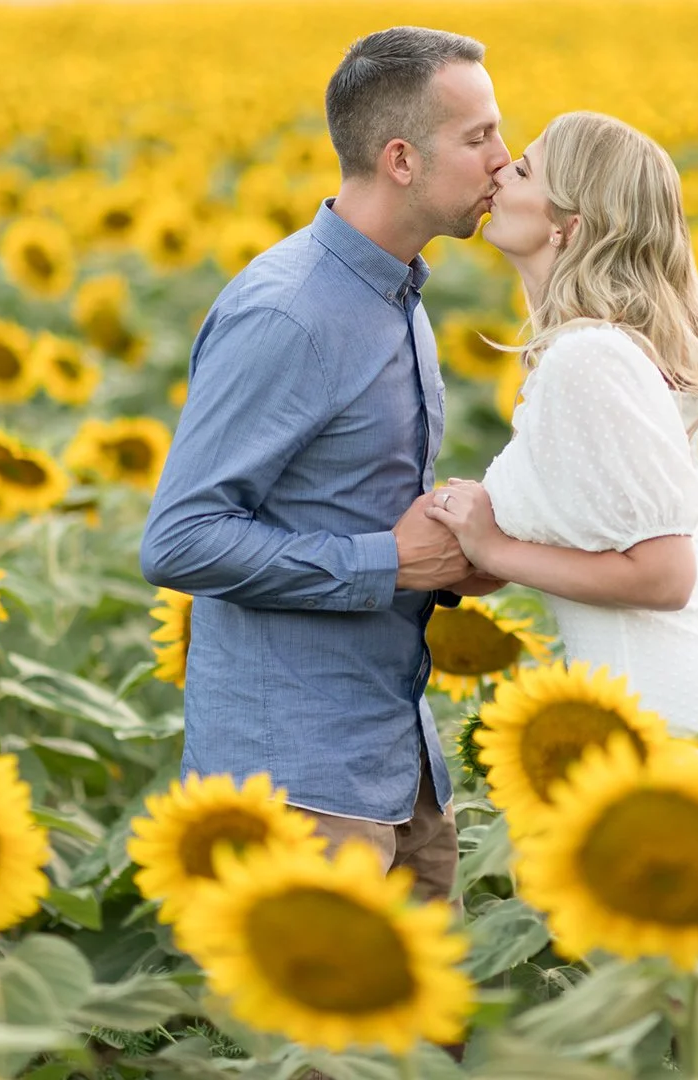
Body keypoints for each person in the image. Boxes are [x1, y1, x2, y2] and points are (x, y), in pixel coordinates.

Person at [424, 111, 698, 1028]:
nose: (500, 171)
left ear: (570, 223)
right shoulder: (637, 348)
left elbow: (666, 574)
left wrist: (497, 546)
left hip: (692, 731)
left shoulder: (589, 359)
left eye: (527, 167)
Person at [138, 26, 510, 907]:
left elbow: (353, 500)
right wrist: (390, 561)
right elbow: (180, 540)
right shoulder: (291, 313)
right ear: (401, 160)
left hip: (396, 759)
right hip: (297, 785)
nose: (506, 158)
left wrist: (465, 549)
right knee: (318, 1049)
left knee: (433, 1042)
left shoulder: (395, 291)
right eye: (479, 136)